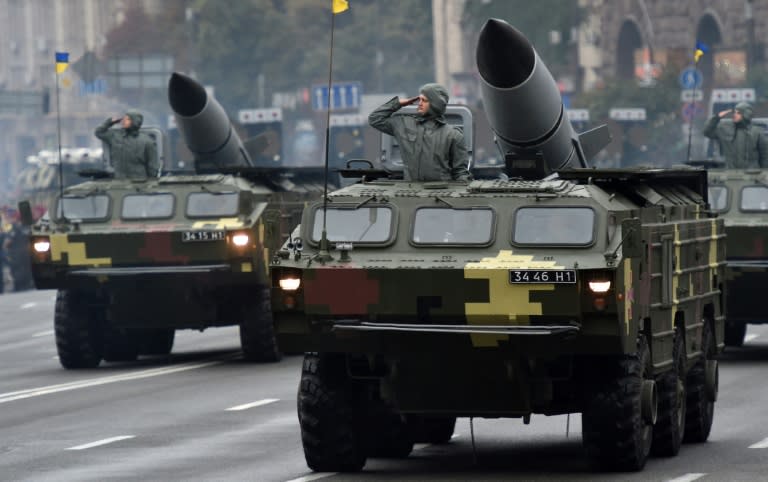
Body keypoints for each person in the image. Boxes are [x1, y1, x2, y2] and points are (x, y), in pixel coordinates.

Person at [369, 83, 471, 182]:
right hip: (410, 192)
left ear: (435, 104)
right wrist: (398, 103)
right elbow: (375, 119)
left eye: (424, 100)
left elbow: (460, 172)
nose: (420, 103)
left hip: (441, 193)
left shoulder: (453, 135)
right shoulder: (404, 125)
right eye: (420, 99)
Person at [95, 110, 159, 178]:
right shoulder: (115, 136)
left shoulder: (147, 141)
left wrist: (151, 182)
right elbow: (99, 132)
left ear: (135, 121)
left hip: (139, 182)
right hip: (119, 181)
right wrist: (110, 122)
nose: (123, 121)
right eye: (124, 119)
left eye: (127, 119)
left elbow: (152, 166)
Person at [703, 101, 768, 168]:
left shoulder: (756, 132)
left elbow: (765, 156)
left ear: (746, 114)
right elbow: (707, 132)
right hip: (730, 174)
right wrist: (716, 117)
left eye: (738, 113)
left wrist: (764, 174)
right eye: (735, 112)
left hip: (752, 174)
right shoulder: (725, 130)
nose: (734, 115)